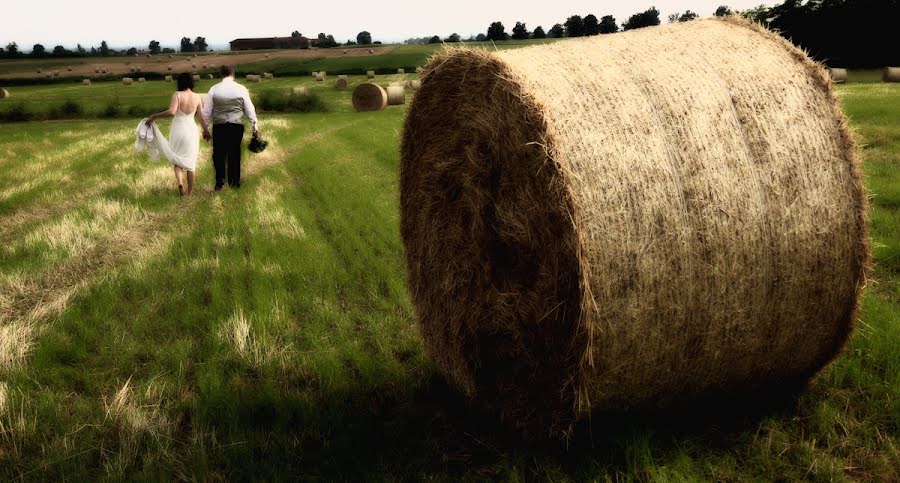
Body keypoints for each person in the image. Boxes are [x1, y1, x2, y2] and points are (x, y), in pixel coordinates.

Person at [142, 73, 208, 195]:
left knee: (177, 159)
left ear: (180, 83)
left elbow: (172, 112)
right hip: (191, 131)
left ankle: (180, 183)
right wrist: (206, 131)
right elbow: (202, 118)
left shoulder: (177, 95)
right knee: (191, 162)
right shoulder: (197, 97)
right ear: (191, 83)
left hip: (178, 129)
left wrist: (155, 116)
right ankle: (189, 192)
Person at [202, 65, 260, 190]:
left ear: (221, 74)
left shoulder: (214, 89)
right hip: (236, 126)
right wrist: (255, 127)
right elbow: (250, 109)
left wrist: (205, 129)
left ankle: (219, 182)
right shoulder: (241, 89)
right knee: (234, 153)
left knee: (218, 154)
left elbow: (206, 112)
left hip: (219, 126)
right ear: (233, 74)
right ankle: (235, 182)